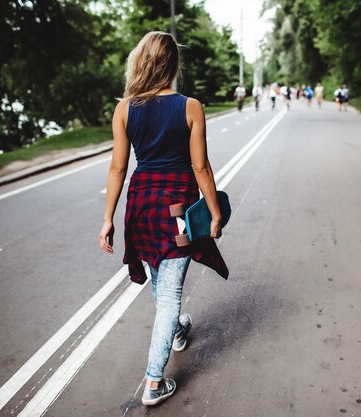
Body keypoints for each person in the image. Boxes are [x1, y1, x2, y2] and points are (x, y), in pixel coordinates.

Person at [99, 31, 228, 407]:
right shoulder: (190, 106)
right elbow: (200, 166)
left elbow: (117, 168)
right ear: (173, 65)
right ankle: (154, 382)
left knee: (162, 284)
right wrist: (215, 211)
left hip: (140, 207)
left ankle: (177, 327)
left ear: (140, 62)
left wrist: (107, 218)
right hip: (175, 210)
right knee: (168, 295)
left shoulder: (125, 109)